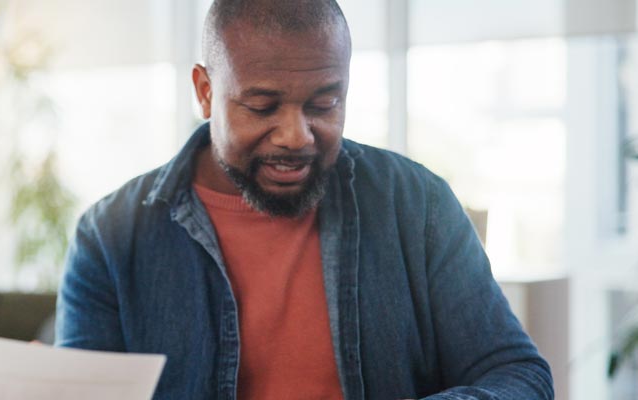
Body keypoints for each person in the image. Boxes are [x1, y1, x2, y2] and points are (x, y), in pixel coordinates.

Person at [55, 0, 553, 399]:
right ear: (205, 92)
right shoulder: (110, 237)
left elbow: (519, 375)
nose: (297, 136)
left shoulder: (417, 204)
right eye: (262, 106)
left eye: (324, 104)